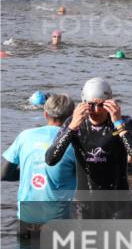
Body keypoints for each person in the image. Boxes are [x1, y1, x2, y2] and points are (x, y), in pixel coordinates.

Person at [45, 77, 132, 217]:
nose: (96, 110)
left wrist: (118, 124)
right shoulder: (75, 124)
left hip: (119, 205)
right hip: (85, 206)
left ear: (110, 103)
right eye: (91, 105)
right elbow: (50, 159)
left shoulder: (124, 122)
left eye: (101, 105)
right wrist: (72, 128)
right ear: (83, 103)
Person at [1, 94, 77, 236]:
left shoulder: (25, 136)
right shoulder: (75, 142)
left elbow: (3, 174)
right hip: (59, 221)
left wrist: (31, 171)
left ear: (45, 114)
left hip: (26, 218)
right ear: (72, 116)